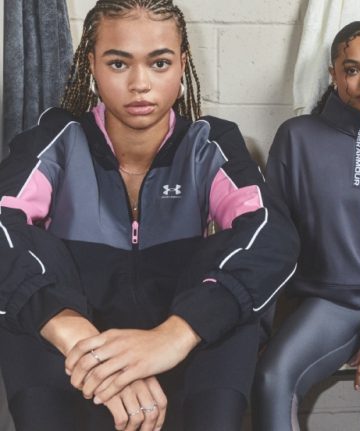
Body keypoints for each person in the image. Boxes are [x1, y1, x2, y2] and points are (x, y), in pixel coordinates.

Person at [0, 1, 299, 430]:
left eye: (159, 63)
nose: (140, 84)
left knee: (234, 273)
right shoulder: (56, 139)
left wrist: (172, 337)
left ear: (182, 65)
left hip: (182, 357)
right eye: (118, 63)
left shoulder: (209, 143)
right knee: (25, 269)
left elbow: (271, 234)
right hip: (73, 362)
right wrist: (81, 340)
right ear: (92, 64)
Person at [253, 21, 360, 431]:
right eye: (352, 69)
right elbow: (272, 237)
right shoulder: (296, 138)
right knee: (270, 381)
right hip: (326, 305)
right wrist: (261, 330)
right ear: (333, 73)